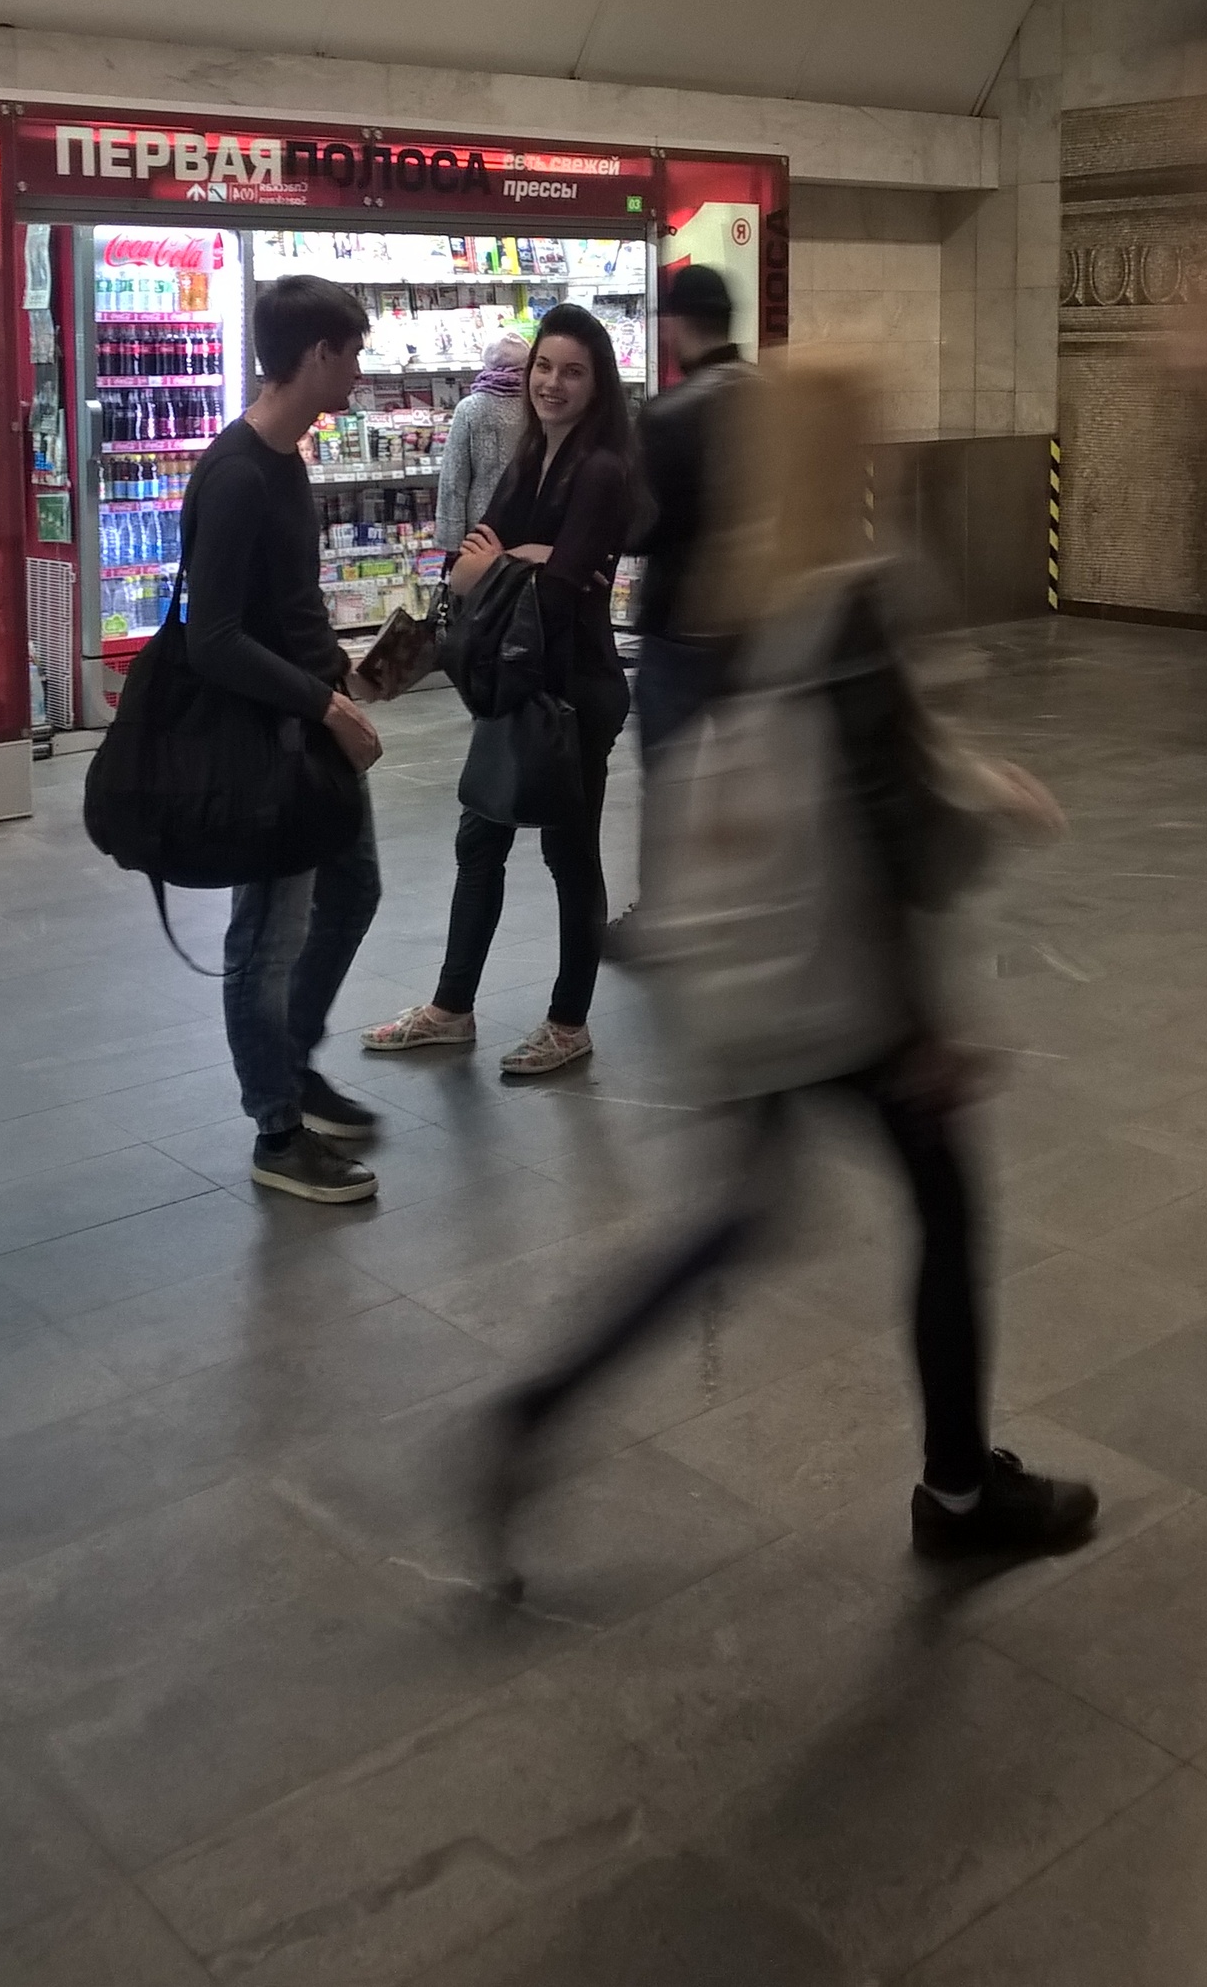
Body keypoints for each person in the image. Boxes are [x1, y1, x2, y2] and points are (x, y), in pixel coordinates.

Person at [472, 350, 1100, 1583]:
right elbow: (877, 814)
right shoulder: (850, 593)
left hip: (743, 971)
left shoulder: (717, 597)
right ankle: (960, 1493)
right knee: (944, 1205)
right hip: (843, 986)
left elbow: (790, 768)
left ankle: (538, 1410)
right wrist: (924, 1021)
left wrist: (965, 775)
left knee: (738, 1216)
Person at [363, 304, 633, 1078]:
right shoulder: (527, 454)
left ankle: (569, 1021)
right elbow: (471, 570)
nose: (552, 383)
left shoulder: (604, 469)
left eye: (571, 372)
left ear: (596, 383)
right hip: (517, 684)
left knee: (568, 855)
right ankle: (451, 1008)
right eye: (544, 367)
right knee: (479, 838)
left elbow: (559, 588)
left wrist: (503, 565)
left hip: (573, 692)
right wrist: (520, 560)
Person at [179, 273, 385, 1204]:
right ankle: (276, 1128)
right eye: (353, 353)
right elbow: (212, 636)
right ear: (316, 356)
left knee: (353, 895)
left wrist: (352, 673)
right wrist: (322, 702)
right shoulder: (234, 473)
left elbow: (287, 608)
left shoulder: (290, 458)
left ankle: (291, 1060)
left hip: (315, 722)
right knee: (264, 937)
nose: (359, 370)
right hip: (271, 745)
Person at [604, 263, 748, 954]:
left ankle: (660, 918)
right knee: (753, 775)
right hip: (757, 622)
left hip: (679, 626)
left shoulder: (666, 413)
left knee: (665, 777)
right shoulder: (773, 399)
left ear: (678, 326)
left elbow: (642, 526)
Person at [435, 330, 531, 554]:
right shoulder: (540, 406)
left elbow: (453, 480)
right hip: (531, 527)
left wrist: (451, 544)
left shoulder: (470, 409)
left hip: (480, 532)